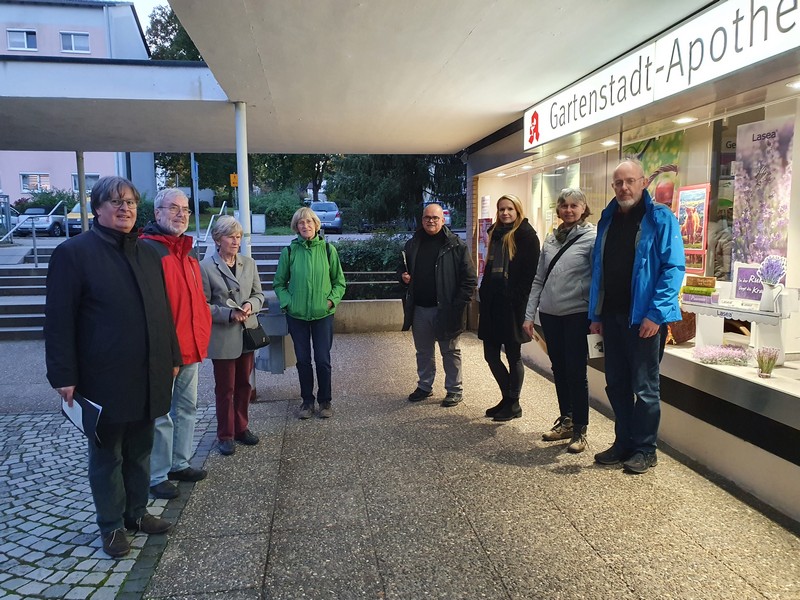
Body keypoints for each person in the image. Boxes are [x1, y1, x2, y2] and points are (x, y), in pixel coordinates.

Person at [45, 176, 181, 559]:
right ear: (98, 208)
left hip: (149, 371)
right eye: (116, 202)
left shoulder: (148, 254)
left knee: (141, 449)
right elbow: (58, 319)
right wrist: (63, 375)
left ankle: (137, 514)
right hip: (102, 375)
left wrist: (172, 356)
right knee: (108, 456)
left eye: (131, 202)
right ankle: (111, 527)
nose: (125, 209)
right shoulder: (74, 253)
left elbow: (162, 313)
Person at [588, 159, 684, 473]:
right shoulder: (607, 219)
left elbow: (673, 269)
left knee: (645, 387)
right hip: (612, 318)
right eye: (618, 183)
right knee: (616, 384)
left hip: (644, 320)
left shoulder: (660, 218)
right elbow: (599, 270)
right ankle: (624, 442)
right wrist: (596, 313)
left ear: (643, 182)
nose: (624, 188)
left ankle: (645, 449)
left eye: (630, 181)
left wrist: (656, 315)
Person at [141, 189, 211, 499]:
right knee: (160, 414)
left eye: (185, 209)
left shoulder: (188, 251)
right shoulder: (148, 251)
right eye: (173, 208)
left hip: (191, 348)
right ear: (157, 213)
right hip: (165, 353)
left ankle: (179, 464)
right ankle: (157, 474)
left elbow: (195, 302)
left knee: (187, 409)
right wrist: (163, 351)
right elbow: (152, 309)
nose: (181, 214)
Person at [523, 188, 596, 452]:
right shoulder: (551, 239)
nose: (568, 210)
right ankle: (566, 420)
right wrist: (529, 314)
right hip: (551, 316)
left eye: (574, 205)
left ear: (583, 208)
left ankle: (580, 429)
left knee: (576, 372)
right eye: (563, 205)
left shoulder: (592, 238)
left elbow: (598, 280)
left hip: (577, 315)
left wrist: (596, 315)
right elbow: (539, 279)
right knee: (560, 370)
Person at [400, 203, 477, 406]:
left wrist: (457, 307)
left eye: (435, 218)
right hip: (419, 309)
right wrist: (403, 277)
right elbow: (402, 271)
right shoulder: (412, 244)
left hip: (446, 309)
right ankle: (425, 386)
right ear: (422, 220)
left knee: (450, 351)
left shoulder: (456, 245)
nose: (431, 221)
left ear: (443, 220)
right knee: (423, 352)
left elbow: (469, 280)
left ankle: (454, 389)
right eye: (427, 218)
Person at [273, 207, 346, 419]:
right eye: (300, 223)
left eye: (309, 222)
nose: (305, 226)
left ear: (316, 225)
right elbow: (279, 283)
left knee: (322, 359)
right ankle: (307, 401)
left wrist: (331, 302)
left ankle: (325, 401)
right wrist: (289, 303)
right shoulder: (289, 252)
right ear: (296, 227)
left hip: (323, 315)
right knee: (303, 360)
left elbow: (339, 282)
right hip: (297, 317)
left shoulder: (328, 250)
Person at [200, 216, 264, 456]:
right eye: (231, 236)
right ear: (218, 239)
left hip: (248, 333)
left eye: (238, 236)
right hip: (224, 336)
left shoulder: (249, 263)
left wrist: (250, 305)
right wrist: (227, 314)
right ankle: (225, 434)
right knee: (225, 389)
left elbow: (259, 294)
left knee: (244, 385)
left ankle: (241, 427)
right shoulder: (205, 267)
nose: (236, 241)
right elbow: (202, 305)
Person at [478, 195, 539, 422]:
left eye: (509, 209)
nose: (505, 213)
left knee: (514, 355)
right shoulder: (494, 233)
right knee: (490, 355)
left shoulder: (526, 236)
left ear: (517, 210)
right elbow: (489, 268)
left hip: (512, 305)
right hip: (493, 303)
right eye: (502, 209)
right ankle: (507, 398)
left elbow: (529, 274)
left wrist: (516, 299)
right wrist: (484, 293)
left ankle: (513, 403)